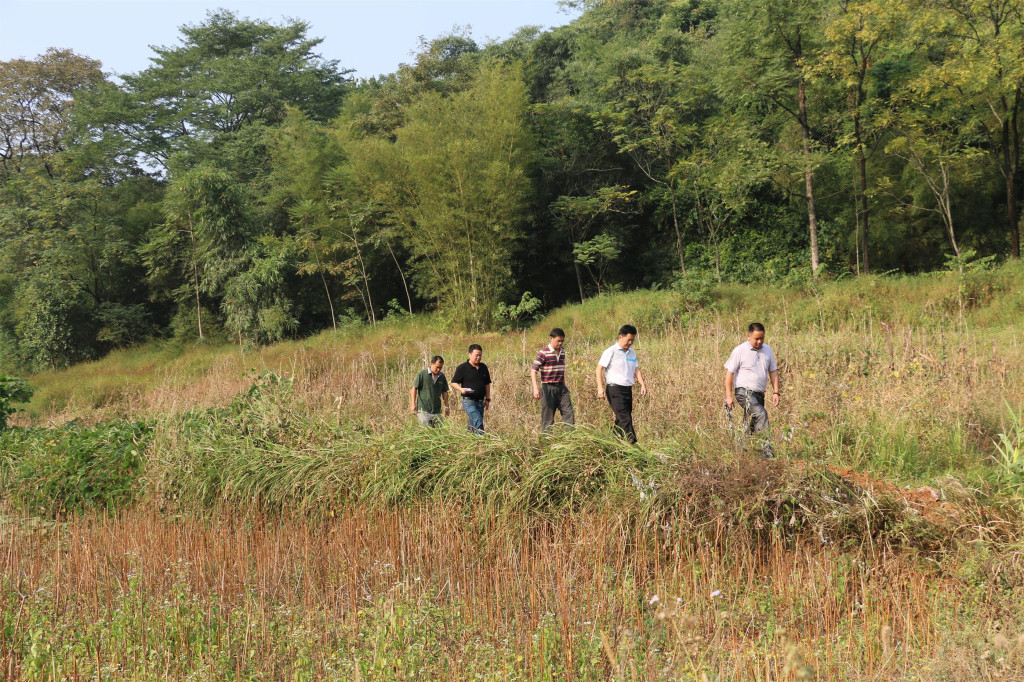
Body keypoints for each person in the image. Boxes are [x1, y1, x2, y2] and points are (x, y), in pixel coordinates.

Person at [724, 322, 780, 458]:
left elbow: (773, 372)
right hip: (744, 392)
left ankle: (740, 453)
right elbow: (729, 374)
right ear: (748, 336)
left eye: (762, 338)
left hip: (759, 393)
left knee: (750, 423)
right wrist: (729, 396)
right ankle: (767, 454)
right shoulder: (739, 351)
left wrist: (776, 392)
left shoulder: (767, 350)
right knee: (761, 415)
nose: (759, 342)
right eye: (756, 339)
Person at [596, 324, 647, 444]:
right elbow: (599, 369)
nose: (630, 343)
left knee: (621, 418)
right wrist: (600, 388)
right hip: (614, 390)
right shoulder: (611, 351)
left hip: (627, 389)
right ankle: (634, 446)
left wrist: (642, 384)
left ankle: (612, 443)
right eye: (628, 340)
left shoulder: (632, 353)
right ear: (620, 337)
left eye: (632, 340)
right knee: (625, 419)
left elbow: (636, 370)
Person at [531, 327, 575, 434]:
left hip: (561, 387)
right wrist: (536, 389)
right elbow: (533, 370)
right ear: (551, 338)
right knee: (548, 417)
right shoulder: (544, 352)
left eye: (562, 341)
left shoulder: (563, 352)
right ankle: (547, 442)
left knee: (568, 413)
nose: (560, 343)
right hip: (548, 387)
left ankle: (570, 439)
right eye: (558, 340)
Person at [451, 344, 492, 434]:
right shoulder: (462, 368)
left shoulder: (483, 367)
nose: (478, 357)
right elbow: (454, 382)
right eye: (476, 355)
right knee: (478, 421)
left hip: (480, 402)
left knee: (473, 424)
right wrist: (461, 389)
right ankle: (481, 443)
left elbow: (487, 384)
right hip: (469, 401)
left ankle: (467, 440)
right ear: (469, 354)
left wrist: (487, 399)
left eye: (480, 355)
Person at [409, 355, 450, 427]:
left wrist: (447, 406)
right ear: (431, 364)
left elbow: (445, 391)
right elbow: (414, 388)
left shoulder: (442, 376)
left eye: (440, 367)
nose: (438, 369)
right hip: (424, 410)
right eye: (437, 367)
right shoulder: (422, 374)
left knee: (439, 432)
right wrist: (413, 404)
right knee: (427, 432)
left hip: (437, 410)